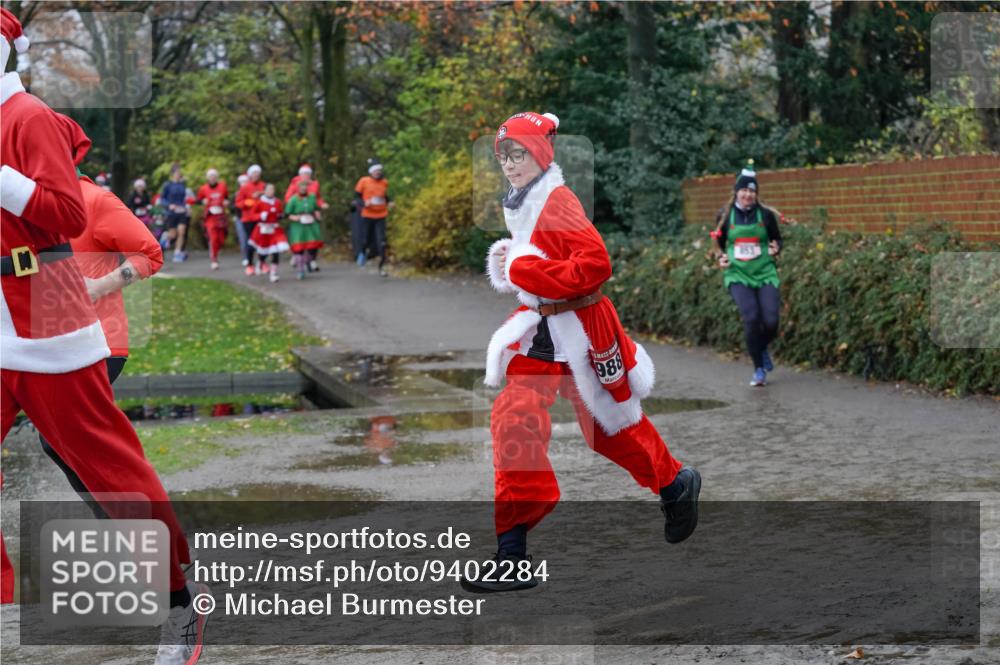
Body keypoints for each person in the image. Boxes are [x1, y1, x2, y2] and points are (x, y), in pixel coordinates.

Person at [0, 10, 207, 663]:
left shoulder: (27, 116)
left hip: (46, 313)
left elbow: (63, 213)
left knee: (111, 472)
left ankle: (180, 602)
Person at [467, 111, 701, 593]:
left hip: (581, 329)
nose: (510, 164)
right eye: (503, 156)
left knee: (609, 431)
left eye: (519, 154)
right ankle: (512, 555)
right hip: (542, 332)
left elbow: (595, 264)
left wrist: (524, 271)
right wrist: (511, 261)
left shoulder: (557, 200)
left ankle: (674, 484)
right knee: (513, 421)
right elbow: (532, 253)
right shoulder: (522, 198)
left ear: (540, 154)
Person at [40, 113, 165, 517]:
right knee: (60, 440)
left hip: (101, 343)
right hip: (48, 342)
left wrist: (97, 287)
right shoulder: (36, 208)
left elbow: (149, 254)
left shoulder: (95, 201)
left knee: (74, 439)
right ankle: (117, 517)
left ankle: (132, 522)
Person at [711, 160, 783, 387]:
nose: (747, 195)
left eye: (752, 191)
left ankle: (760, 348)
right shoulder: (725, 215)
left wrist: (776, 247)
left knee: (771, 321)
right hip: (737, 274)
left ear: (756, 194)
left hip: (764, 272)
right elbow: (718, 242)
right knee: (751, 318)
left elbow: (777, 238)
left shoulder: (765, 215)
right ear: (736, 192)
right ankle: (758, 368)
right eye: (743, 190)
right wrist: (720, 257)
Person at [353, 161, 393, 276]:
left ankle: (382, 266)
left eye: (379, 171)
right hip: (368, 215)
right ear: (371, 172)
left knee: (382, 241)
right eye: (375, 171)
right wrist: (364, 203)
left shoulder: (384, 182)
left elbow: (385, 196)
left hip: (381, 215)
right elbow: (356, 198)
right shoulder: (364, 181)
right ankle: (362, 252)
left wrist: (390, 202)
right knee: (366, 238)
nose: (378, 173)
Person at [248, 182, 289, 283]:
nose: (271, 192)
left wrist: (281, 216)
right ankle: (260, 262)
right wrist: (260, 216)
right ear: (264, 191)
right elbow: (251, 215)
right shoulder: (259, 202)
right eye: (269, 190)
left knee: (275, 252)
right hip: (263, 230)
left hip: (274, 229)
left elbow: (279, 212)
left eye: (273, 189)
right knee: (263, 252)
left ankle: (273, 273)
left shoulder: (277, 202)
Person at [284, 178, 324, 279]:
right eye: (301, 186)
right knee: (299, 248)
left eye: (305, 186)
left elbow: (315, 208)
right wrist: (294, 217)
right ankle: (300, 270)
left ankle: (307, 261)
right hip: (298, 226)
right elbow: (287, 213)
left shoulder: (312, 197)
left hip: (310, 224)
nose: (303, 188)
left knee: (312, 247)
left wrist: (317, 214)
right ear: (298, 188)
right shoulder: (293, 199)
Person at [196, 168, 229, 270]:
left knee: (221, 239)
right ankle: (214, 259)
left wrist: (226, 202)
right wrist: (202, 202)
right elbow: (198, 199)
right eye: (211, 176)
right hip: (210, 217)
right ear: (208, 178)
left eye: (214, 176)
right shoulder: (203, 188)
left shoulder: (223, 186)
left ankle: (215, 253)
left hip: (221, 216)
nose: (213, 178)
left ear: (217, 177)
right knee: (213, 238)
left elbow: (227, 198)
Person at [236, 164, 265, 276]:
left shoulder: (263, 186)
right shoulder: (245, 187)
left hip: (261, 218)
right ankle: (250, 265)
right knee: (251, 241)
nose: (256, 175)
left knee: (262, 241)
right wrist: (247, 202)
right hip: (248, 218)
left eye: (258, 173)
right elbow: (238, 203)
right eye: (254, 173)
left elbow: (269, 197)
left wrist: (261, 194)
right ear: (250, 175)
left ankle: (262, 263)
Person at [159, 162, 190, 262]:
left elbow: (184, 198)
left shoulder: (182, 185)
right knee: (173, 235)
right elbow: (162, 199)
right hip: (171, 213)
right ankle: (164, 237)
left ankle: (177, 253)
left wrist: (186, 207)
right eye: (177, 172)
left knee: (182, 232)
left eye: (179, 172)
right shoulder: (167, 185)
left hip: (181, 212)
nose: (179, 174)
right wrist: (169, 205)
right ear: (173, 173)